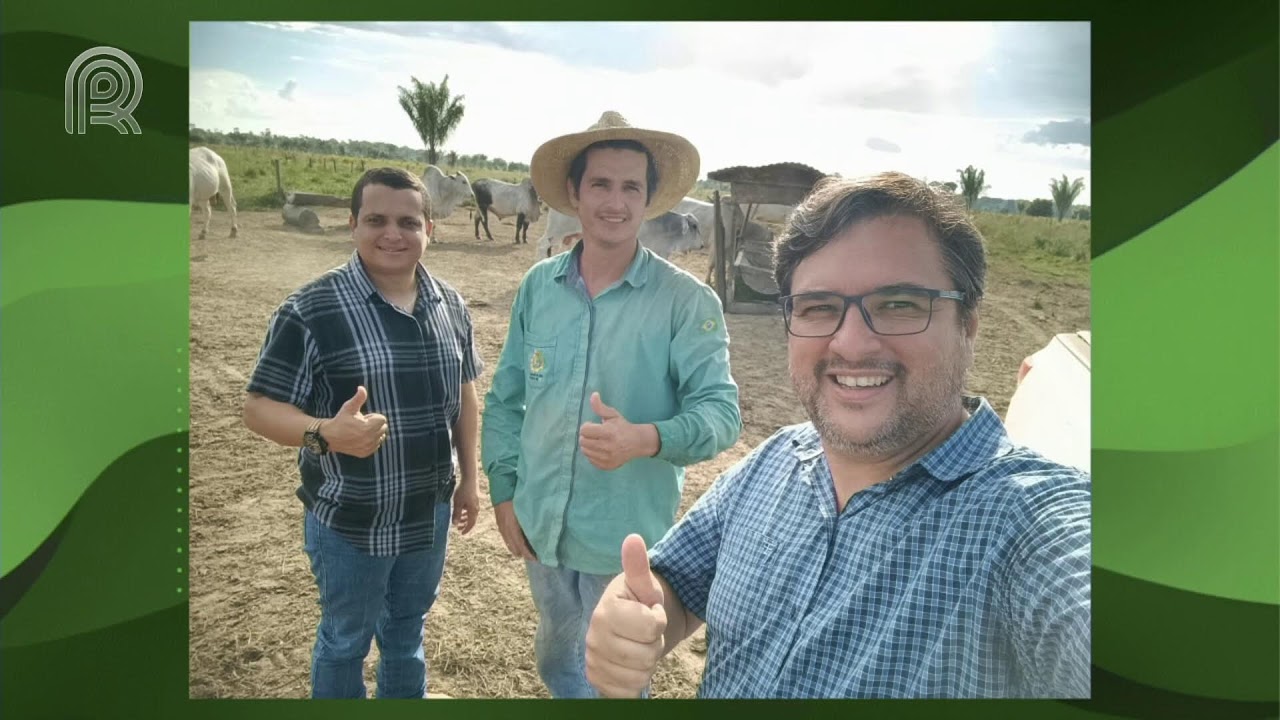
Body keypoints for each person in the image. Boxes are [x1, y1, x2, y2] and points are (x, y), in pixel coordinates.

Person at [583, 171, 1092, 699]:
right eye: (819, 307)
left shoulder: (1027, 523)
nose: (851, 343)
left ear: (968, 324)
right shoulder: (776, 461)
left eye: (899, 304)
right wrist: (633, 616)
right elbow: (676, 582)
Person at [481, 111, 742, 698]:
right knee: (556, 661)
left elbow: (723, 414)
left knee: (617, 683)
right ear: (574, 193)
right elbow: (505, 399)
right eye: (600, 184)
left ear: (649, 200)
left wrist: (644, 438)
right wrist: (504, 491)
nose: (616, 202)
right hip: (541, 525)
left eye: (631, 187)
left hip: (622, 540)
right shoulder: (538, 286)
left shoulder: (686, 301)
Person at [242, 166, 483, 699]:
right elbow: (258, 408)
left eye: (408, 222)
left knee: (406, 632)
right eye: (376, 220)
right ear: (352, 224)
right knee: (345, 641)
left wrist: (469, 479)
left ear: (429, 229)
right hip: (351, 521)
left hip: (428, 511)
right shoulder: (310, 310)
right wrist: (323, 433)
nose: (392, 233)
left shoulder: (450, 305)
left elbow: (465, 396)